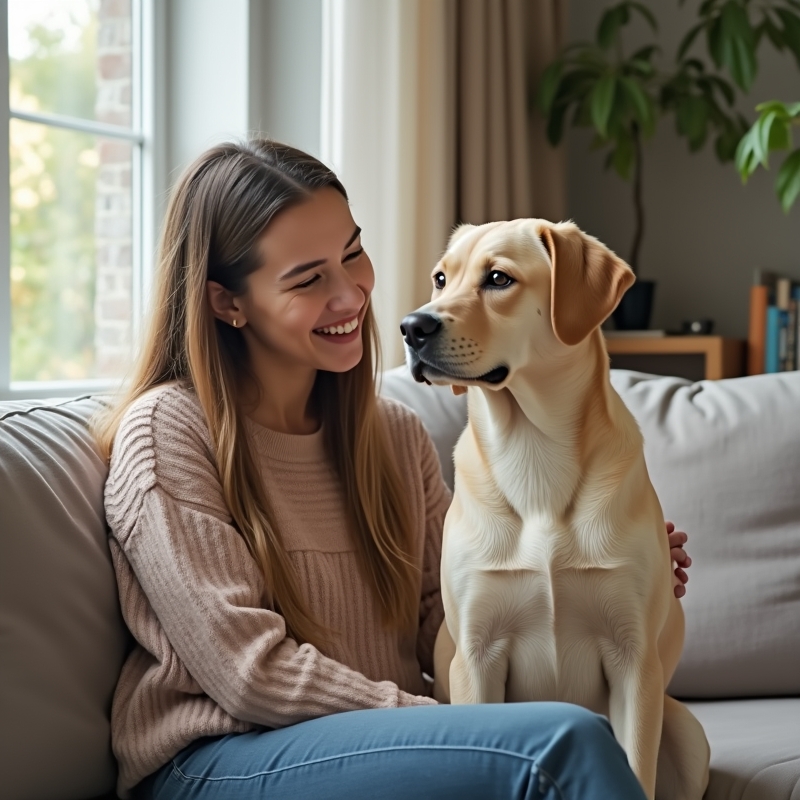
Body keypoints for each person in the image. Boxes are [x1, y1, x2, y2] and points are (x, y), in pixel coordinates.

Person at [95, 139, 692, 800]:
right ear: (226, 302)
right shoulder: (167, 433)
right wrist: (454, 728)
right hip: (217, 761)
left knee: (574, 737)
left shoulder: (391, 432)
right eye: (307, 278)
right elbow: (248, 673)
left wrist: (606, 584)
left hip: (369, 743)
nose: (350, 293)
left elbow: (451, 621)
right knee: (563, 744)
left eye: (352, 253)